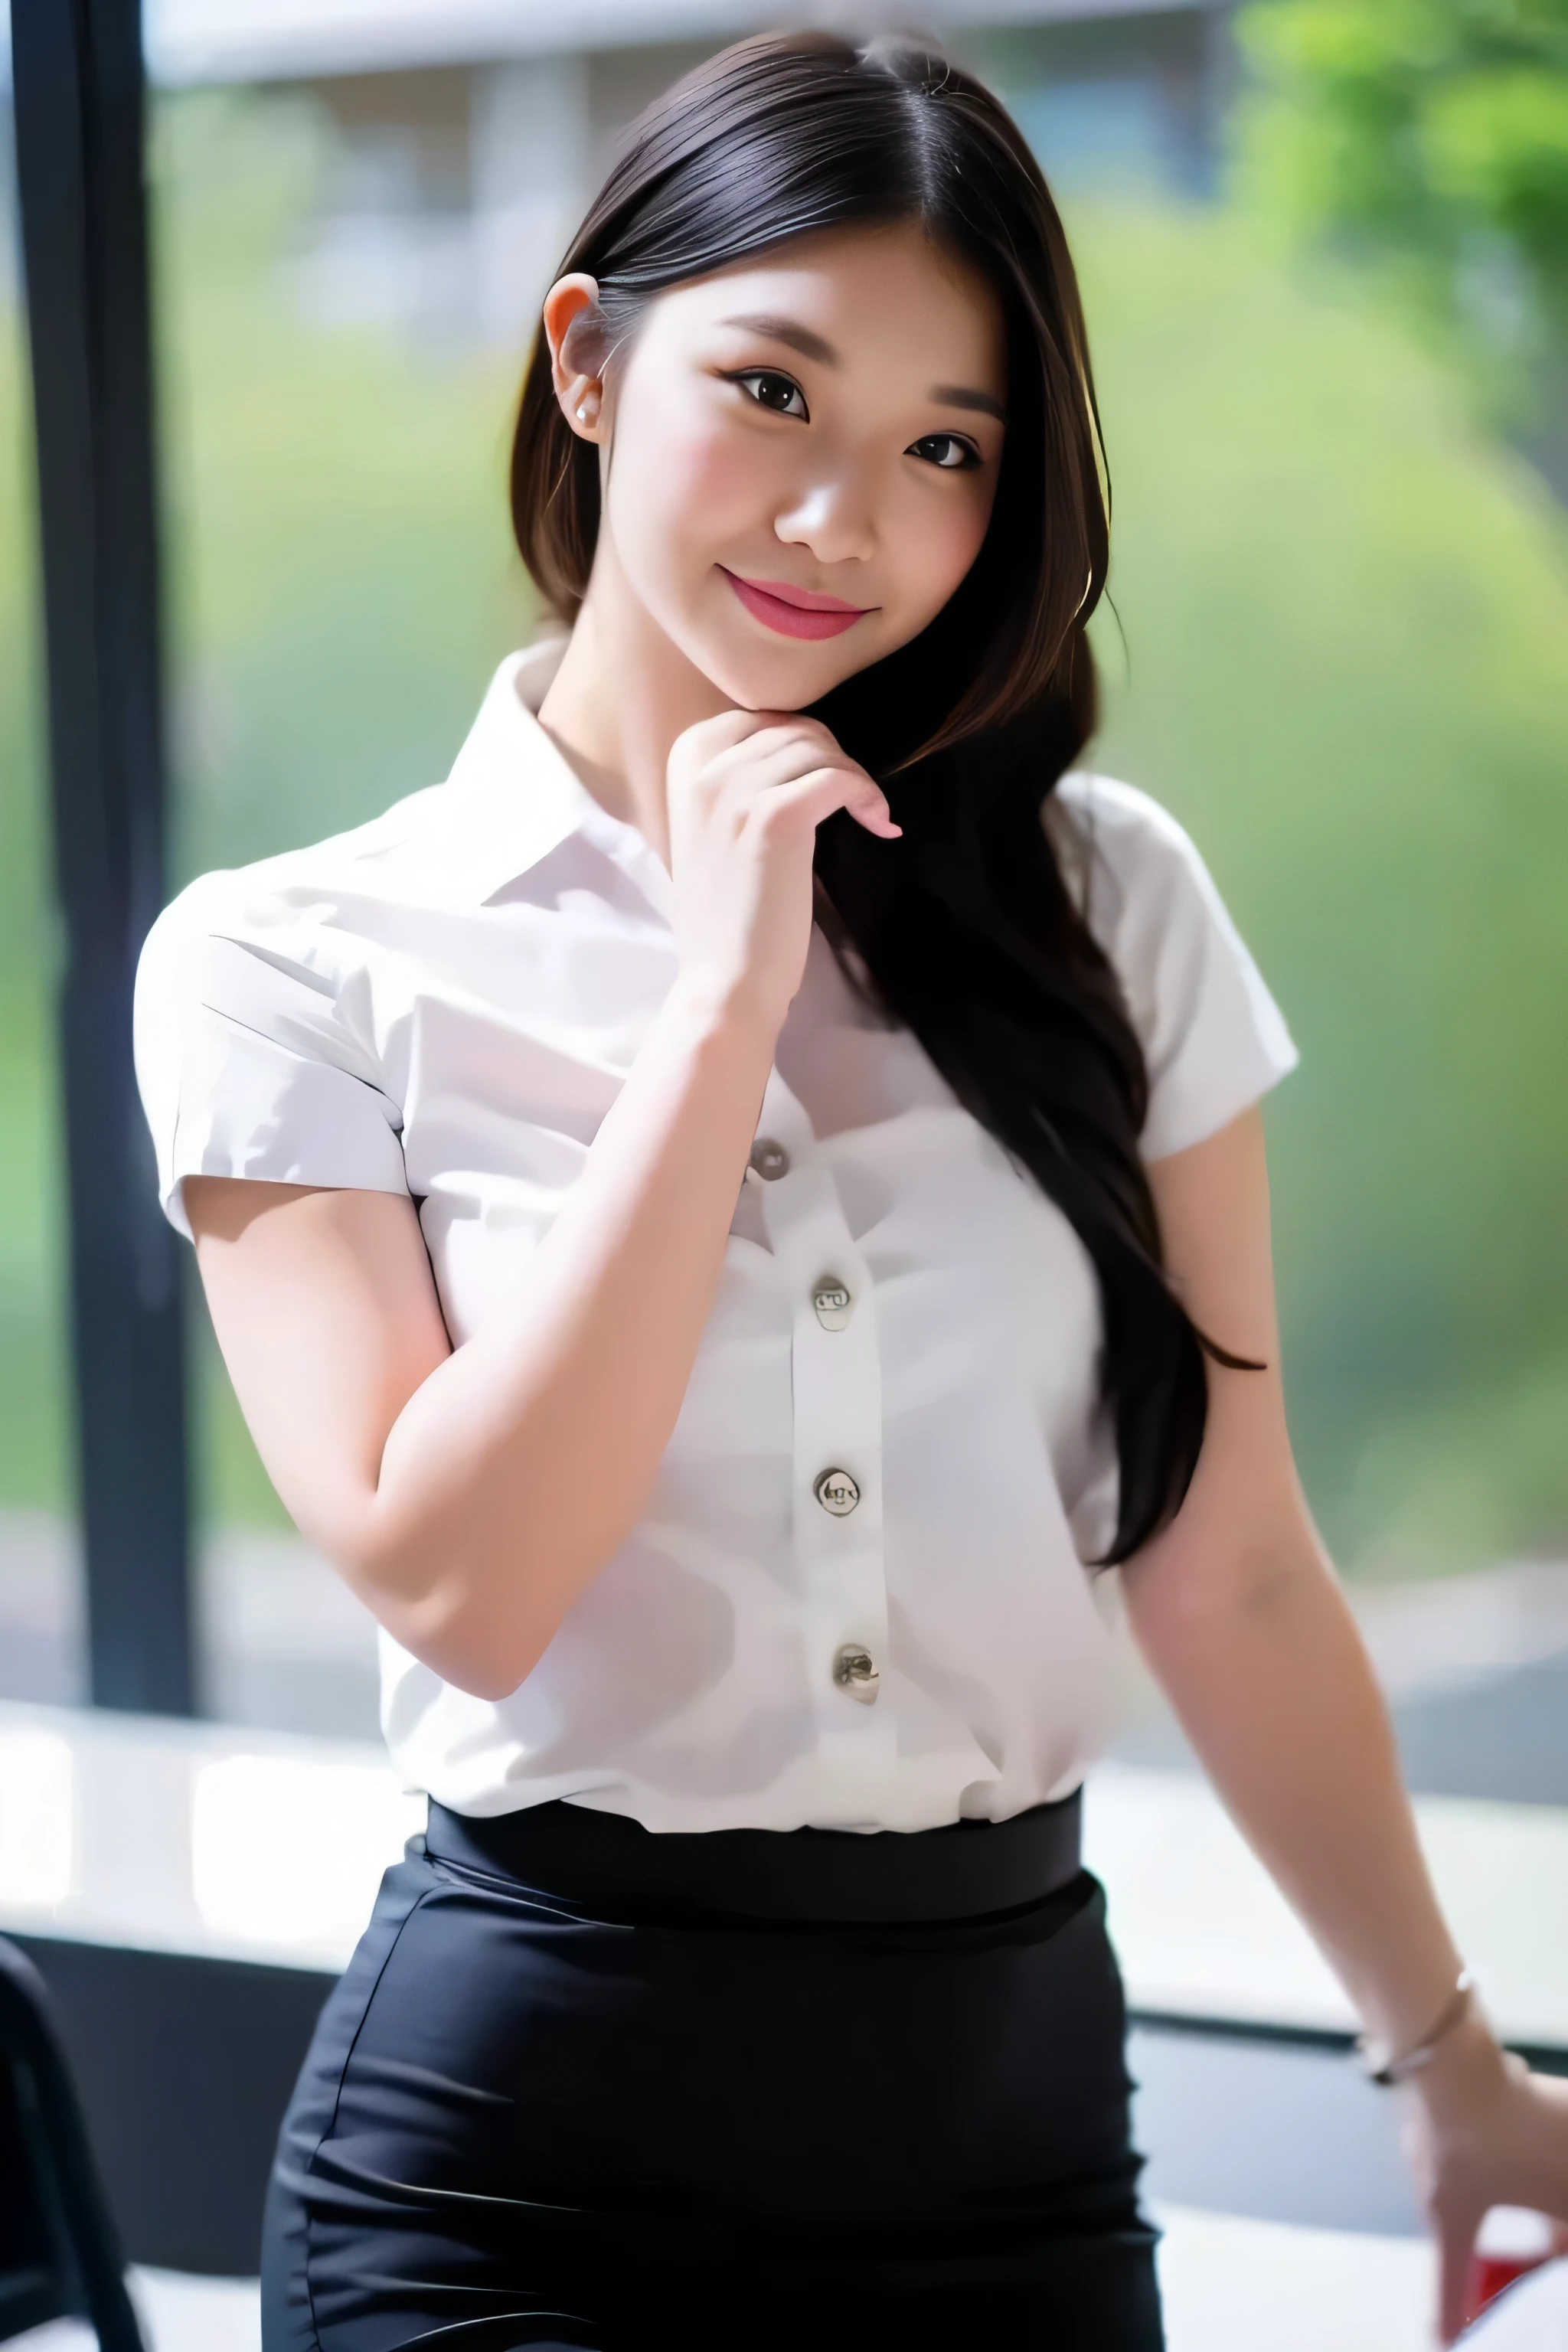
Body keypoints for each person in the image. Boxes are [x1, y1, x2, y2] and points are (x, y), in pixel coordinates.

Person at [132, 31, 1568, 2351]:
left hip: (1010, 2145)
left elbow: (1240, 1571)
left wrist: (1454, 2066)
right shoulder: (294, 961)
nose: (842, 523)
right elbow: (467, 1584)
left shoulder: (1106, 905)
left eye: (944, 451)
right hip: (516, 2198)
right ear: (589, 361)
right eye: (774, 394)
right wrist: (719, 1009)